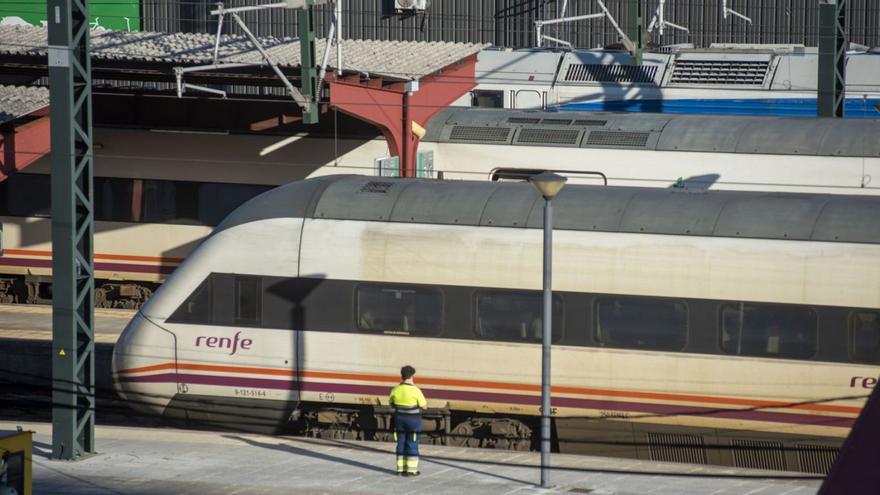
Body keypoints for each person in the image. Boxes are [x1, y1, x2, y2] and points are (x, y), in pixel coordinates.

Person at [388, 365, 427, 476]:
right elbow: (424, 406)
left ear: (402, 376)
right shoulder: (416, 390)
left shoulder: (396, 389)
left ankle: (400, 469)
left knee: (400, 443)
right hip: (413, 421)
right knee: (412, 443)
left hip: (399, 419)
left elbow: (391, 403)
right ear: (412, 376)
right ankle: (411, 470)